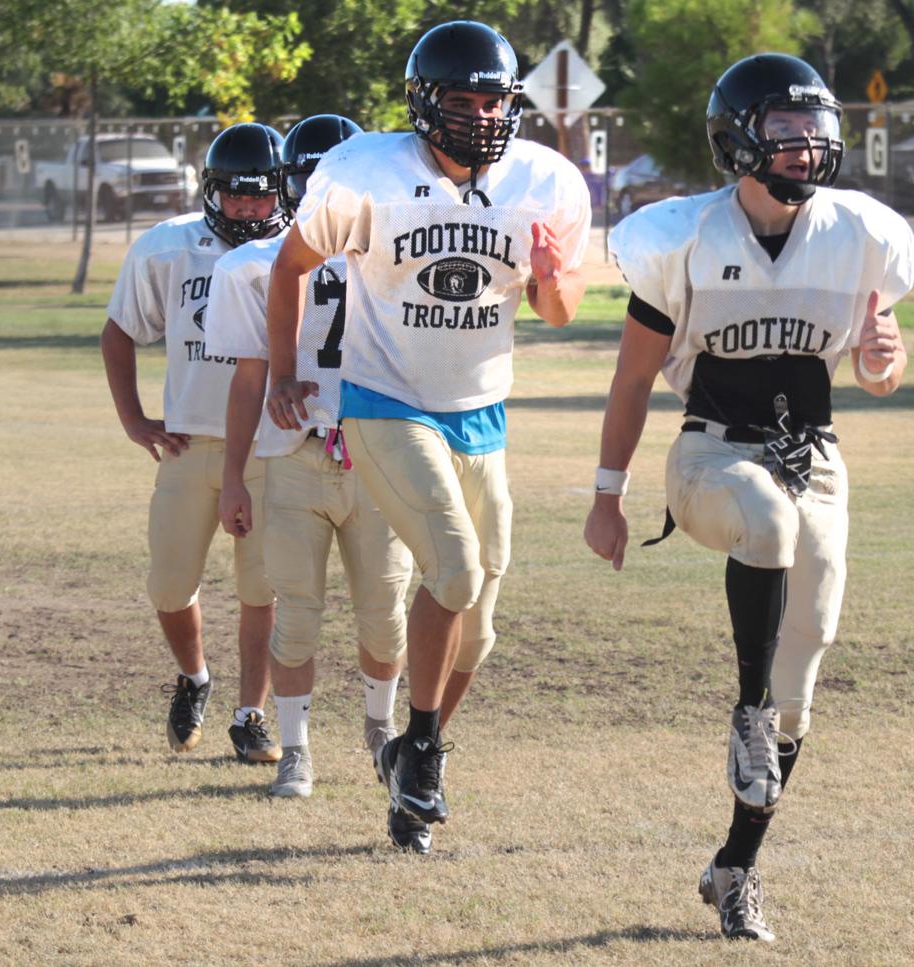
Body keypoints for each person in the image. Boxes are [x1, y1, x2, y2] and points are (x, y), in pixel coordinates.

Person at [583, 53, 914, 942]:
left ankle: (736, 865)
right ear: (738, 138)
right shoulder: (682, 236)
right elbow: (630, 379)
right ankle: (747, 708)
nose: (806, 147)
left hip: (817, 456)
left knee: (807, 672)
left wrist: (883, 364)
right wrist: (607, 495)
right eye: (784, 129)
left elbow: (881, 368)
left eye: (816, 129)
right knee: (765, 527)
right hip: (710, 457)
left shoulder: (863, 235)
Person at [263, 20, 591, 851]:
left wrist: (553, 282)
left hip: (482, 411)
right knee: (454, 567)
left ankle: (411, 767)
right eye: (462, 99)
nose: (481, 116)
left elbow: (559, 309)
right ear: (424, 103)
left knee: (477, 623)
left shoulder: (545, 183)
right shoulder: (364, 173)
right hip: (384, 403)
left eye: (494, 100)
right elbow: (290, 266)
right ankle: (427, 754)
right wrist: (281, 370)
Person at [207, 115, 419, 845]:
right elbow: (247, 381)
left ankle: (380, 728)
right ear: (293, 184)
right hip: (294, 455)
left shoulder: (394, 257)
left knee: (385, 612)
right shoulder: (251, 266)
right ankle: (295, 750)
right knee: (295, 611)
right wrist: (232, 477)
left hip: (378, 455)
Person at [101, 122, 291, 763]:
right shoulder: (170, 246)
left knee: (261, 591)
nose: (245, 207)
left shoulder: (298, 251)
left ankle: (252, 715)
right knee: (168, 586)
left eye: (260, 195)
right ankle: (196, 677)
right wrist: (134, 420)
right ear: (210, 190)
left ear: (281, 193)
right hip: (187, 443)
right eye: (234, 194)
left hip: (270, 449)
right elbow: (120, 329)